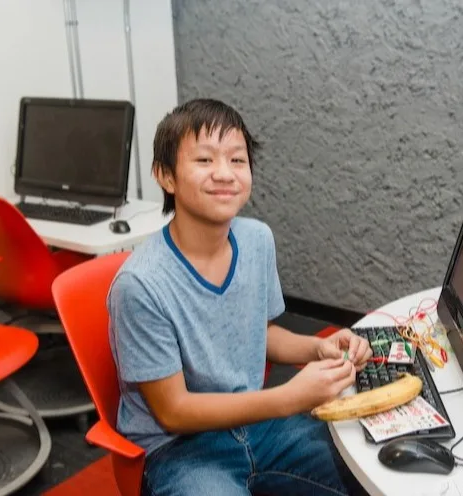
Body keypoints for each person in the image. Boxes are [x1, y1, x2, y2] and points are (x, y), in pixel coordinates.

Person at [107, 98, 373, 496]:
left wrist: (317, 348)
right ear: (165, 176)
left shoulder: (257, 239)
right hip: (180, 448)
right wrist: (288, 398)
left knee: (370, 475)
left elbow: (258, 334)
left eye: (237, 160)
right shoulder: (140, 284)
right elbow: (173, 411)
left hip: (257, 424)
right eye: (204, 160)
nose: (224, 173)